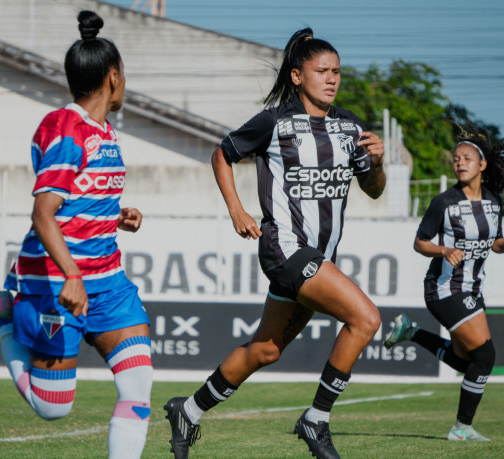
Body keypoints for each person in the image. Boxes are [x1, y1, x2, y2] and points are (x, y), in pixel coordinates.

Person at [164, 28, 386, 459]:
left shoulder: (350, 126)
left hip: (318, 258)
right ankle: (316, 418)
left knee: (265, 350)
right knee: (366, 319)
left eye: (337, 71)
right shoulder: (275, 121)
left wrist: (377, 163)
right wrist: (237, 210)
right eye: (322, 70)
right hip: (285, 249)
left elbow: (373, 189)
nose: (332, 78)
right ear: (298, 75)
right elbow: (222, 154)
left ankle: (188, 410)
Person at [0, 11, 152, 459]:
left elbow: (74, 196)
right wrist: (71, 275)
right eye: (124, 74)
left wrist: (114, 213)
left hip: (106, 282)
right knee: (52, 409)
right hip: (55, 282)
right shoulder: (66, 130)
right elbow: (44, 213)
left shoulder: (104, 131)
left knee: (138, 386)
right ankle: (5, 318)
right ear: (113, 76)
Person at [383, 130, 504, 442]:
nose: (460, 163)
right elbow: (419, 243)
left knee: (466, 361)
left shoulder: (493, 200)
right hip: (444, 288)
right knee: (485, 357)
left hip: (473, 288)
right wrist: (443, 250)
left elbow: (495, 240)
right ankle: (461, 428)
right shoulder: (444, 202)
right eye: (457, 159)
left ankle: (411, 332)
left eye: (467, 159)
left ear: (482, 164)